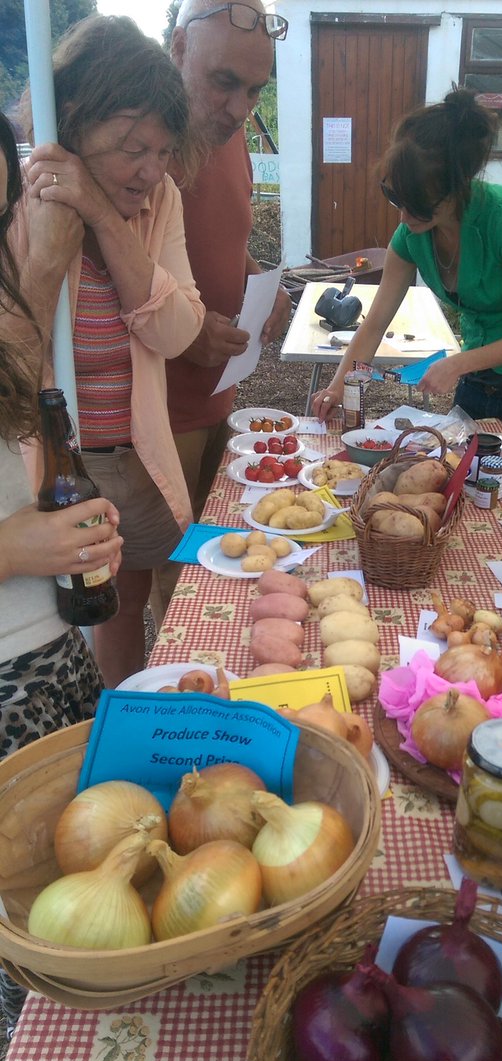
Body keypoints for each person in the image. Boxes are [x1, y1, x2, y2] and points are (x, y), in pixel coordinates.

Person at [10, 15, 205, 688]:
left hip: (138, 454)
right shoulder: (18, 203)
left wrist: (100, 210)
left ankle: (147, 737)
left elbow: (177, 331)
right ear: (72, 123)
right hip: (54, 468)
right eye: (130, 147)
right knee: (78, 636)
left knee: (149, 619)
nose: (151, 170)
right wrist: (53, 237)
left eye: (162, 151)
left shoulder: (159, 202)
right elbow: (11, 366)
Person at [0, 111, 124, 1034]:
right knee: (32, 944)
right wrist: (19, 547)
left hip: (50, 662)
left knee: (94, 895)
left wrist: (69, 527)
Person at [313, 87, 502, 440]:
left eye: (417, 204)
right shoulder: (412, 237)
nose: (403, 217)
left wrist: (459, 363)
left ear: (457, 187)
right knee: (460, 482)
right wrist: (336, 388)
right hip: (476, 375)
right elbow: (374, 325)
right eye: (394, 198)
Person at [150, 0, 292, 621]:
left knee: (213, 556)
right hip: (156, 403)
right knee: (166, 580)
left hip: (219, 391)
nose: (240, 109)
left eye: (256, 89)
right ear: (179, 51)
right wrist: (183, 333)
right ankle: (156, 705)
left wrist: (260, 280)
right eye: (223, 82)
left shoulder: (227, 135)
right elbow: (107, 267)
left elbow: (222, 239)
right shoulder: (144, 137)